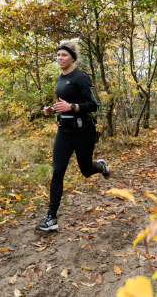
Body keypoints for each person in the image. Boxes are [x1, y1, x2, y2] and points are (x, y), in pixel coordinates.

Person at [35, 39, 111, 232]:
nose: (60, 58)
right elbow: (65, 103)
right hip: (64, 132)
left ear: (72, 58)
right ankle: (51, 218)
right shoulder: (59, 78)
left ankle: (101, 167)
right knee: (57, 172)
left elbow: (94, 105)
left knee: (86, 171)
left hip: (83, 132)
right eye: (58, 55)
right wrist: (52, 109)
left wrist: (72, 107)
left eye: (64, 55)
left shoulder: (81, 77)